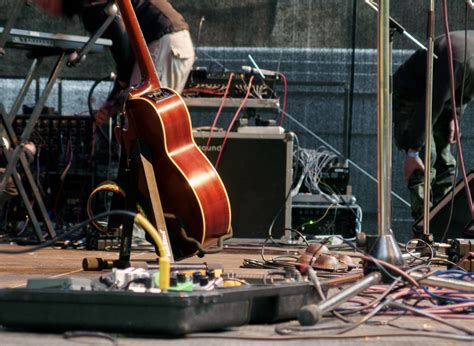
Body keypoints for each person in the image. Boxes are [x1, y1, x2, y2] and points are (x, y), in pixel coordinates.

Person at [38, 0, 195, 125]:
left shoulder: (91, 4)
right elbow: (124, 48)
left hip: (164, 41)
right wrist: (114, 100)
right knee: (139, 122)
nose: (40, 4)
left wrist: (117, 94)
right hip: (164, 42)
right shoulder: (86, 6)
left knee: (142, 122)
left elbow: (121, 37)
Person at [393, 30, 474, 220]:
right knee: (425, 160)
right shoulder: (459, 61)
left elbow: (464, 93)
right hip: (412, 96)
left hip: (442, 96)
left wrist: (454, 117)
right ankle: (424, 228)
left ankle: (442, 222)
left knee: (446, 165)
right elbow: (430, 104)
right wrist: (413, 151)